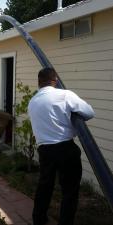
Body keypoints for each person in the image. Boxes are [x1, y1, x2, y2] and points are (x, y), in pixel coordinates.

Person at [28, 68, 94, 225]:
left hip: (44, 150)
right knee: (69, 190)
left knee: (44, 187)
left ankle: (39, 220)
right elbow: (89, 112)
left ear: (39, 82)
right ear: (55, 80)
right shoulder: (65, 95)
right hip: (65, 148)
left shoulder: (33, 101)